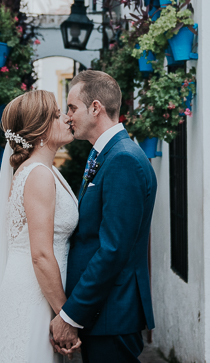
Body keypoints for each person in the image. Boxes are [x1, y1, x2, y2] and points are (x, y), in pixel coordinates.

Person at [0, 90, 80, 363]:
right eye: (56, 115)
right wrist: (65, 314)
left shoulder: (44, 170)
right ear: (40, 130)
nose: (66, 118)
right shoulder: (38, 175)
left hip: (40, 290)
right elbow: (40, 254)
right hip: (34, 293)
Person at [50, 70, 157, 363]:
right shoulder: (108, 154)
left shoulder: (123, 159)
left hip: (113, 312)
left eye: (72, 107)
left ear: (95, 108)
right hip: (103, 313)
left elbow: (113, 250)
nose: (68, 116)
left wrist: (71, 315)